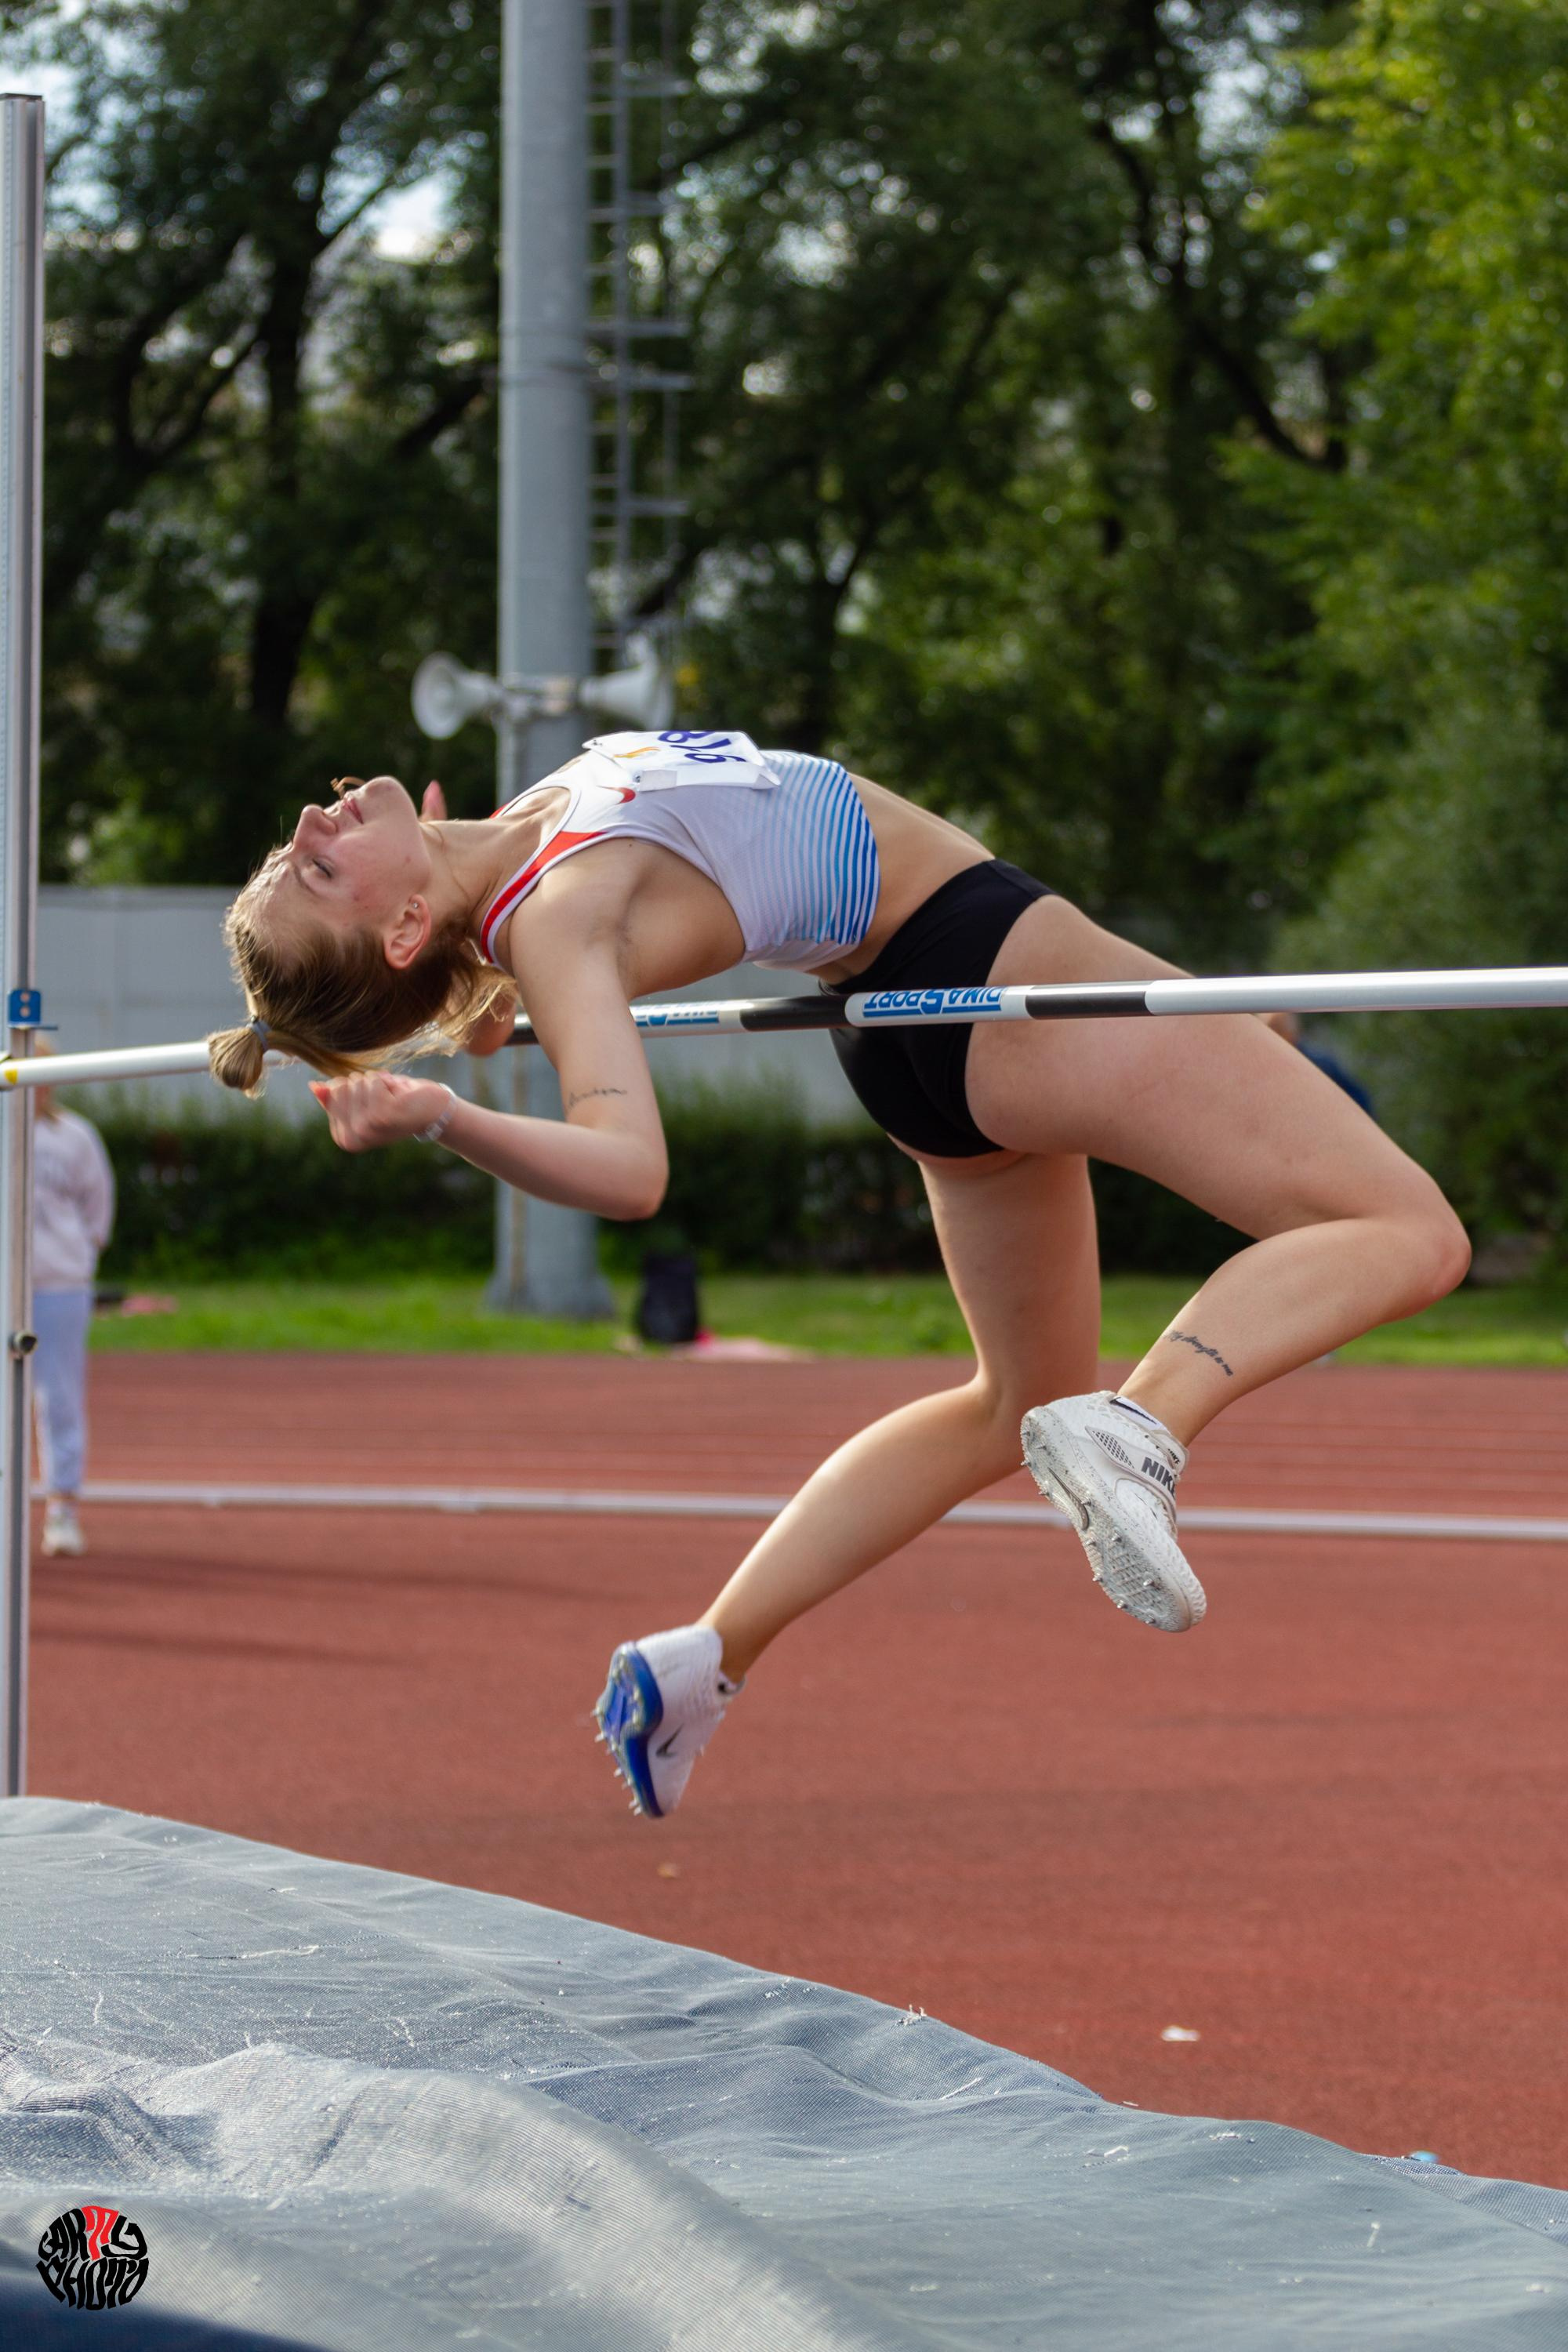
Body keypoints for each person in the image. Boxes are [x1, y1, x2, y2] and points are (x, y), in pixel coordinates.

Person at [208, 731, 1469, 1819]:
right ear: (405, 925)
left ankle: (705, 1658)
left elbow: (506, 964)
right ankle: (1144, 1426)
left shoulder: (519, 876)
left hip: (913, 1030)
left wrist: (457, 918)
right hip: (981, 968)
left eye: (296, 848)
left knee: (1006, 1403)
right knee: (1411, 1233)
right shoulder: (557, 915)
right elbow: (626, 1164)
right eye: (319, 869)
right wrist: (449, 1115)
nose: (315, 822)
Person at [31, 1040, 116, 1558]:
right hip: (4, 1284)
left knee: (59, 1396)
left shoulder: (76, 1137)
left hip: (58, 1284)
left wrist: (79, 1254)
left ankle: (62, 1509)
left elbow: (97, 1206)